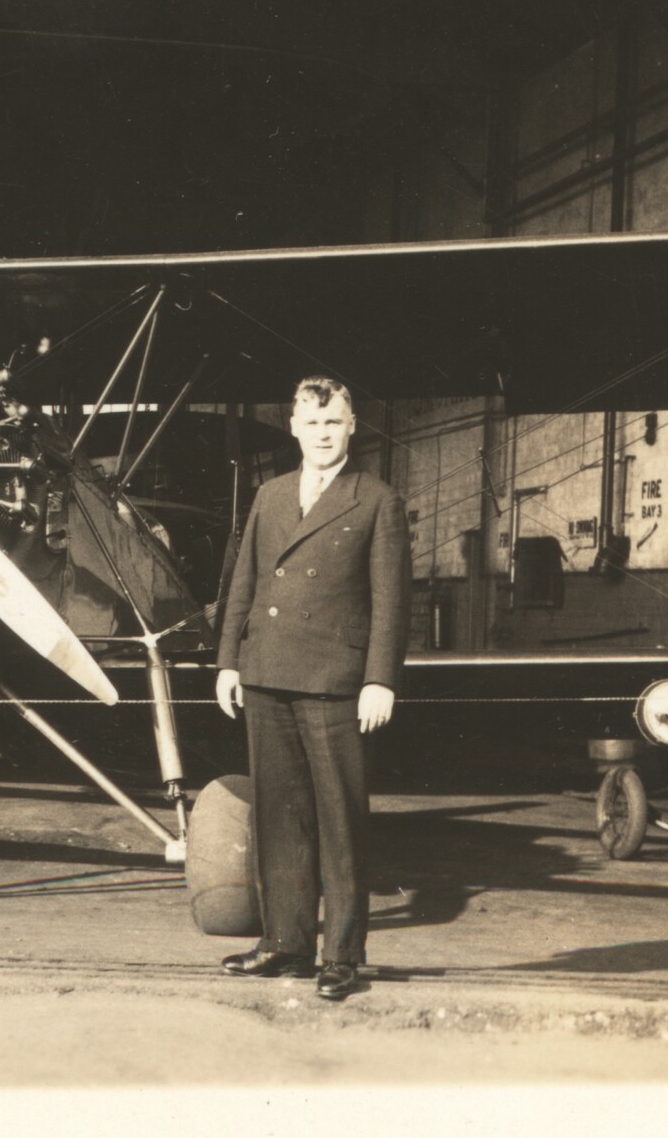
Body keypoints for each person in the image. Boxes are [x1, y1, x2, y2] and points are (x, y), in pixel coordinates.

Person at [214, 376, 406, 1001]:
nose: (322, 435)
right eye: (311, 424)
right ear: (294, 428)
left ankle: (342, 953)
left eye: (333, 424)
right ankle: (286, 944)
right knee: (280, 815)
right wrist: (228, 662)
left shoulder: (375, 499)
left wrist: (380, 679)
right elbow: (242, 583)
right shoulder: (269, 496)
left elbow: (391, 602)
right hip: (266, 669)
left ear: (351, 426)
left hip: (334, 681)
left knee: (339, 819)